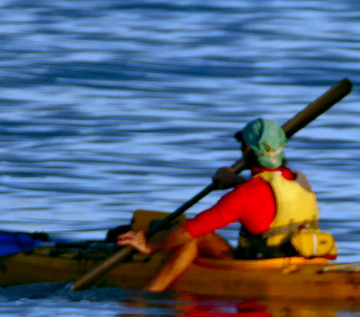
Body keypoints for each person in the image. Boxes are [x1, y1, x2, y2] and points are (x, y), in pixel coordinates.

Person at [116, 117, 331, 292]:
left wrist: (151, 246)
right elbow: (271, 193)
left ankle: (149, 295)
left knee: (196, 236)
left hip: (262, 266)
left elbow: (191, 230)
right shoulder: (299, 179)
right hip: (305, 260)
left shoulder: (245, 195)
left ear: (247, 151)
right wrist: (235, 181)